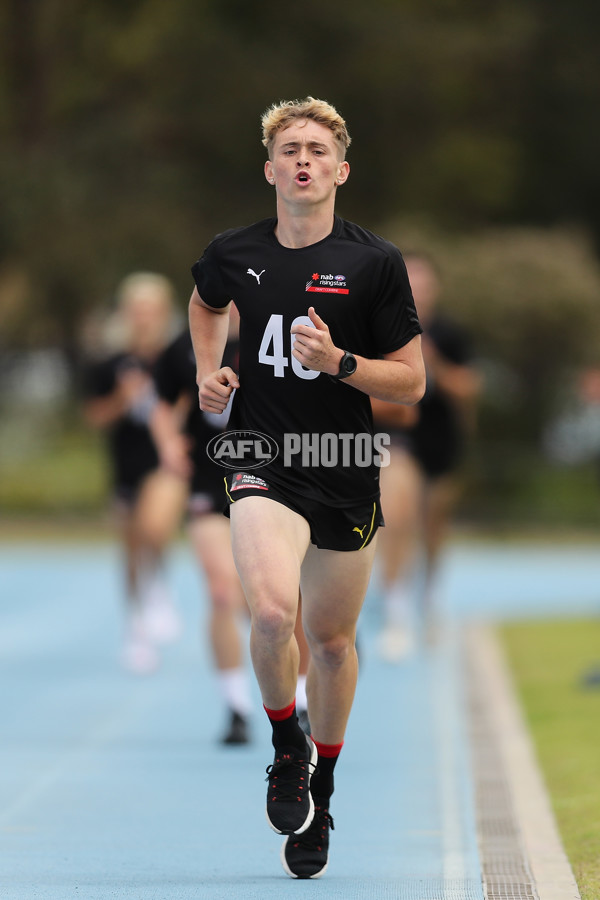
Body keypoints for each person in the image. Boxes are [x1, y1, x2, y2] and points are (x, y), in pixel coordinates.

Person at [188, 97, 425, 878]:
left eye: (318, 150)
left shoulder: (374, 264)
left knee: (328, 644)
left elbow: (412, 383)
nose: (303, 160)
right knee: (268, 613)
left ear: (340, 170)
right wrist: (207, 373)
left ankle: (323, 785)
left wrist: (340, 365)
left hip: (344, 461)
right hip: (261, 457)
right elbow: (205, 301)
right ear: (269, 169)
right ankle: (286, 743)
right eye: (290, 148)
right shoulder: (232, 251)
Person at [151, 307, 314, 743]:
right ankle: (236, 705)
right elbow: (162, 405)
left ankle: (299, 699)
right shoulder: (186, 347)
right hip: (210, 480)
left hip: (274, 483)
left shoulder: (285, 337)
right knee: (222, 590)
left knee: (287, 599)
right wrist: (168, 444)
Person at [372, 252, 481, 660]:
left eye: (422, 284)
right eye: (408, 283)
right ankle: (396, 611)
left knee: (433, 525)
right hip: (399, 436)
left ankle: (429, 592)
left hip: (440, 440)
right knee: (397, 516)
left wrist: (434, 363)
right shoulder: (379, 326)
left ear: (434, 289)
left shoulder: (451, 333)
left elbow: (470, 388)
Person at [83, 273, 186, 675]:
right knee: (130, 547)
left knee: (155, 527)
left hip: (165, 459)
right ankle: (136, 627)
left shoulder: (178, 357)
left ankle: (157, 588)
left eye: (151, 310)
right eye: (136, 310)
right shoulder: (110, 362)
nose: (144, 318)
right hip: (125, 459)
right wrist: (122, 400)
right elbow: (94, 417)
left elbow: (194, 403)